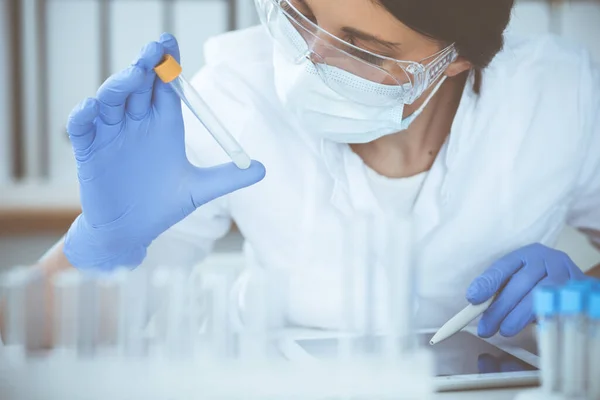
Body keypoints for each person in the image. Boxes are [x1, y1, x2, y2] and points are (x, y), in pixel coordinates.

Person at [26, 0, 600, 339]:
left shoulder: (560, 95)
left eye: (363, 48)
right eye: (300, 13)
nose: (306, 63)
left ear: (455, 61)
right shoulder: (235, 95)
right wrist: (100, 244)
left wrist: (589, 298)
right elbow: (43, 339)